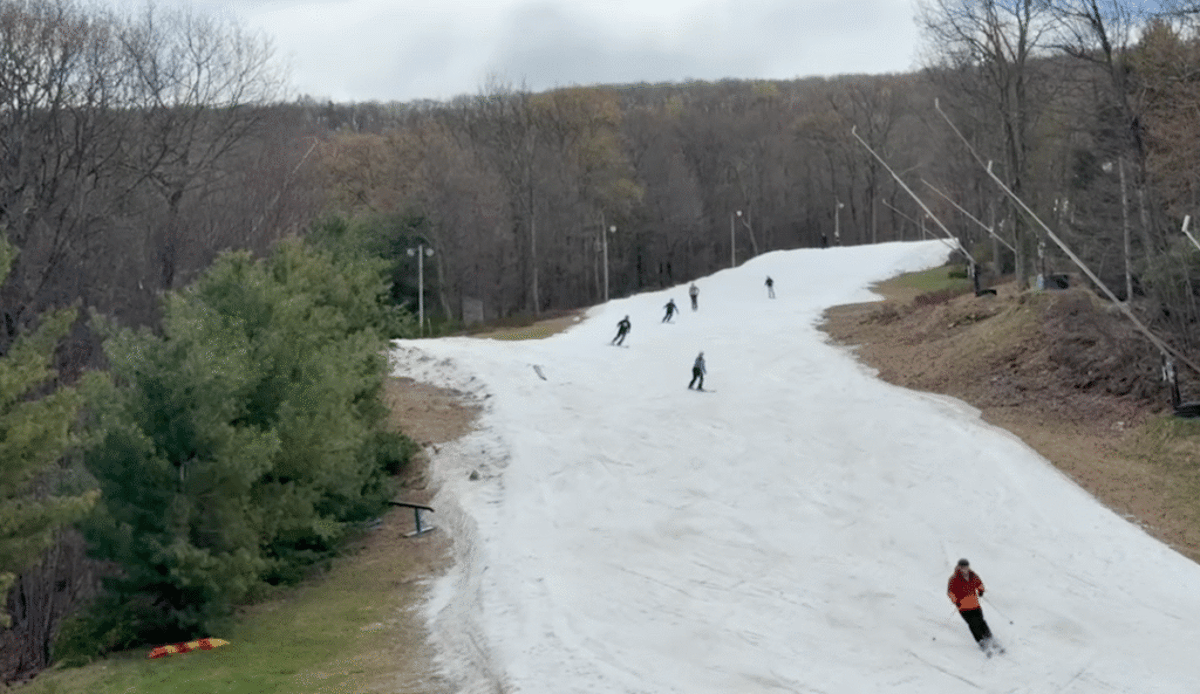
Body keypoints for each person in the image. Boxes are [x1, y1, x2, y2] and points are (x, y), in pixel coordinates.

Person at [947, 558, 998, 654]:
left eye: (966, 567)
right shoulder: (954, 579)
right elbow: (950, 593)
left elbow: (979, 583)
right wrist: (956, 601)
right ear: (959, 567)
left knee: (981, 622)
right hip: (963, 607)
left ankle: (990, 639)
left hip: (975, 605)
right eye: (962, 567)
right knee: (973, 624)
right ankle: (981, 642)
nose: (965, 569)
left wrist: (981, 590)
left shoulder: (973, 575)